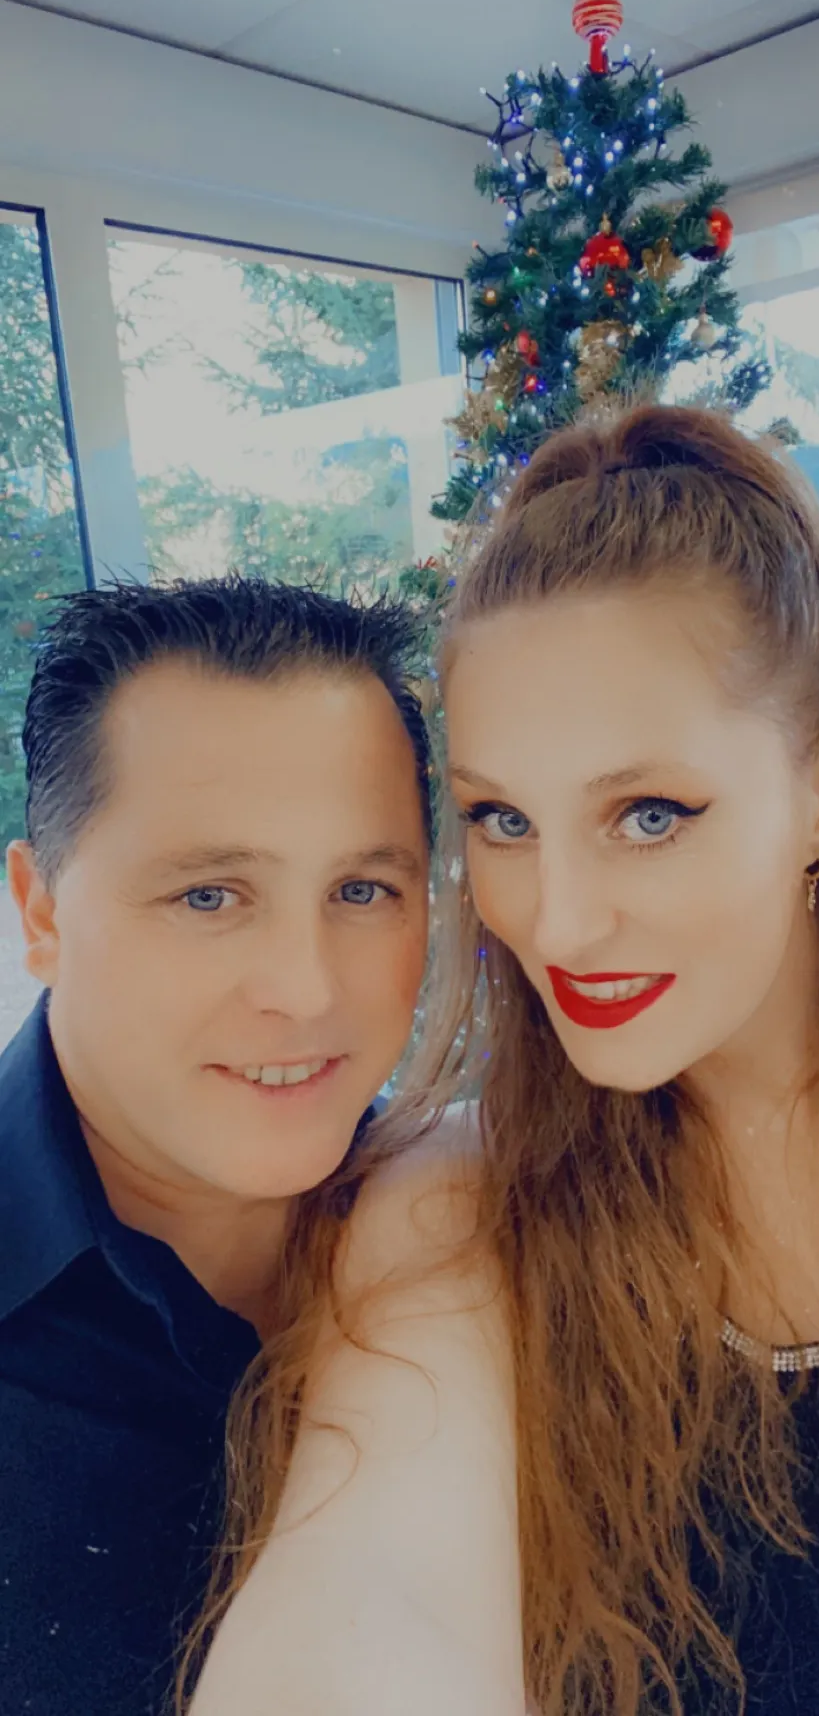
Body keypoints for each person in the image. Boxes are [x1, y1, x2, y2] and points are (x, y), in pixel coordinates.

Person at [192, 404, 819, 1716]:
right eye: (502, 819)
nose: (556, 923)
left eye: (647, 814)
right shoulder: (462, 1213)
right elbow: (375, 1596)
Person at [0, 576, 435, 1716]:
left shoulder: (493, 1230)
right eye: (208, 897)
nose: (306, 988)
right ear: (40, 911)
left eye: (361, 888)